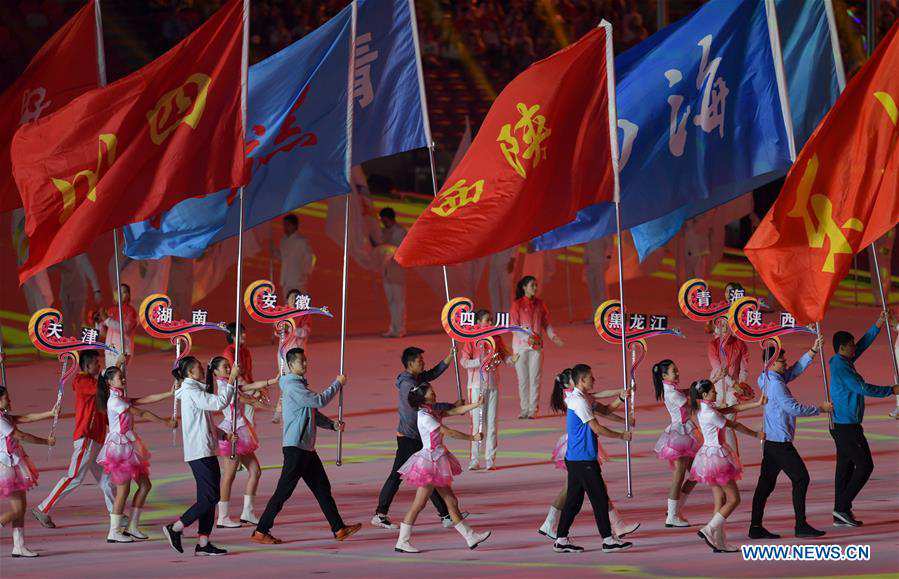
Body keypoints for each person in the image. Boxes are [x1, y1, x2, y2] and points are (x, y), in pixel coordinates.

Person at [250, 348, 361, 544]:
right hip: (296, 448)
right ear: (291, 365)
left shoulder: (298, 385)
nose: (305, 364)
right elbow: (318, 401)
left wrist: (332, 425)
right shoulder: (293, 386)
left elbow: (312, 412)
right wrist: (337, 383)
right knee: (283, 491)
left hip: (306, 448)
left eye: (305, 360)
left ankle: (339, 528)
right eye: (301, 361)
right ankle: (261, 530)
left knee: (321, 488)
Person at [539, 368, 639, 543]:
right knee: (590, 496)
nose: (594, 379)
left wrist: (621, 397)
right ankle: (608, 537)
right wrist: (621, 435)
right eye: (589, 377)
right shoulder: (576, 400)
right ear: (576, 382)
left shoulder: (582, 397)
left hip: (581, 451)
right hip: (579, 451)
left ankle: (562, 537)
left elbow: (604, 407)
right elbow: (598, 422)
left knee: (577, 498)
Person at [749, 337, 832, 540]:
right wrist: (819, 409)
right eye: (782, 362)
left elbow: (793, 371)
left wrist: (811, 352)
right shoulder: (777, 385)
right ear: (772, 363)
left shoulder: (766, 377)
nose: (785, 365)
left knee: (765, 484)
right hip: (780, 444)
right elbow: (793, 408)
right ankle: (801, 525)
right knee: (801, 478)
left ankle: (755, 526)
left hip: (770, 441)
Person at [394, 382, 489, 553]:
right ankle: (402, 541)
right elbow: (449, 432)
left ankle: (470, 536)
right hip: (430, 462)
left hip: (437, 460)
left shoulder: (430, 410)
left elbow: (453, 411)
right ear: (423, 397)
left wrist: (476, 404)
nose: (434, 392)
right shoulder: (424, 416)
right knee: (419, 504)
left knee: (451, 501)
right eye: (431, 391)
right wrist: (472, 438)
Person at [372, 346, 458, 530]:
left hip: (416, 435)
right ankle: (380, 514)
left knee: (429, 475)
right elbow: (426, 404)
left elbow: (431, 374)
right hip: (408, 437)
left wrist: (449, 358)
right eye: (419, 361)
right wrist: (452, 407)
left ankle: (445, 515)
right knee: (401, 475)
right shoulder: (408, 385)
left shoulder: (416, 378)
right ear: (410, 364)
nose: (423, 363)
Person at [828, 312, 899, 527]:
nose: (854, 348)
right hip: (847, 426)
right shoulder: (842, 368)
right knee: (865, 465)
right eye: (851, 345)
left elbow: (863, 344)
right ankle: (841, 506)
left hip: (843, 424)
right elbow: (863, 388)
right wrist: (891, 390)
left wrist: (877, 325)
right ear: (842, 348)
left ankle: (840, 513)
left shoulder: (842, 360)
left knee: (845, 469)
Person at [32, 350, 117, 528]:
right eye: (96, 362)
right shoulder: (81, 380)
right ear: (86, 366)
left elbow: (105, 402)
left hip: (97, 438)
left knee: (106, 479)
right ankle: (43, 508)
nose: (99, 364)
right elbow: (101, 388)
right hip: (87, 437)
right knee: (74, 477)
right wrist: (116, 368)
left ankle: (116, 514)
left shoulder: (93, 381)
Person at [163, 356, 237, 556]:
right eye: (198, 369)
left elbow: (204, 419)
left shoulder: (195, 390)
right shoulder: (191, 391)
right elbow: (220, 403)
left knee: (208, 498)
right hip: (199, 451)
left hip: (205, 448)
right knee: (211, 497)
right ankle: (176, 527)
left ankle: (203, 543)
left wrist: (222, 434)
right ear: (189, 373)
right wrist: (231, 382)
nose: (202, 372)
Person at [95, 366, 175, 543]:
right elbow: (142, 412)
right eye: (119, 378)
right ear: (109, 382)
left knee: (145, 485)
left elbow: (143, 400)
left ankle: (132, 526)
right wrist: (165, 422)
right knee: (123, 490)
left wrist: (168, 394)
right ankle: (114, 531)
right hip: (119, 448)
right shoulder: (115, 401)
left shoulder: (121, 397)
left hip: (129, 444)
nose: (123, 380)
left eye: (123, 377)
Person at [689, 379, 765, 553]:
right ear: (705, 394)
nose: (716, 393)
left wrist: (756, 404)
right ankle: (708, 529)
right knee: (734, 499)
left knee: (720, 500)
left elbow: (732, 409)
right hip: (718, 457)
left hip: (707, 457)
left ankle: (719, 542)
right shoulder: (711, 414)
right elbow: (735, 424)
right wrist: (756, 434)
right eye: (713, 391)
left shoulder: (703, 408)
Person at [206, 356, 278, 528]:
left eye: (229, 366)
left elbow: (248, 387)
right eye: (225, 367)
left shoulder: (231, 384)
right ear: (215, 372)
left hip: (241, 430)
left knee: (255, 470)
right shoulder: (224, 387)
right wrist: (274, 408)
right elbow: (248, 398)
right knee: (229, 476)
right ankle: (222, 517)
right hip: (232, 432)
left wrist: (271, 381)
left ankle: (248, 512)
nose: (229, 369)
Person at [0, 383, 56, 558]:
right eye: (5, 398)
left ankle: (19, 546)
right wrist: (45, 442)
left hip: (16, 464)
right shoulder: (1, 421)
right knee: (17, 510)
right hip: (6, 466)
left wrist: (50, 413)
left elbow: (26, 417)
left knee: (21, 508)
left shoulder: (5, 416)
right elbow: (21, 436)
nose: (9, 400)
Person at [460, 310, 516, 471]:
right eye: (487, 320)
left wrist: (513, 359)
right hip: (476, 386)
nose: (491, 323)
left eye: (491, 320)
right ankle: (474, 459)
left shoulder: (496, 338)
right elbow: (464, 361)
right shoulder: (472, 339)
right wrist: (479, 361)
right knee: (477, 424)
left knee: (492, 424)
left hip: (492, 385)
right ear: (478, 322)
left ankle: (490, 459)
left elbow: (505, 356)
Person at [651, 360, 700, 528]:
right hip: (681, 434)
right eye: (674, 371)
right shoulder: (672, 393)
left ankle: (674, 509)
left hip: (684, 431)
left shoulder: (671, 389)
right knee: (679, 475)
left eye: (677, 370)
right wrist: (707, 396)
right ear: (664, 375)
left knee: (695, 473)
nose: (677, 373)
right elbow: (692, 405)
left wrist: (707, 384)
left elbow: (686, 393)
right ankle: (672, 515)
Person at [511, 276, 563, 419]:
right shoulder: (517, 304)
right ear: (524, 287)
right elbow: (514, 327)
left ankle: (533, 410)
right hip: (520, 347)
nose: (535, 288)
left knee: (535, 378)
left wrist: (553, 336)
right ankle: (524, 409)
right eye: (532, 285)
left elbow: (546, 323)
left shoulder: (540, 304)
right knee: (523, 379)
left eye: (536, 285)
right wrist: (528, 338)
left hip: (536, 347)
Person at [708, 317, 750, 450]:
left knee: (729, 424)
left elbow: (744, 367)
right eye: (721, 324)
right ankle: (715, 453)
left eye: (727, 324)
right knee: (716, 423)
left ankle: (734, 458)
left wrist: (742, 384)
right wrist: (733, 384)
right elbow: (718, 369)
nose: (724, 326)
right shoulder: (713, 345)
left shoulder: (740, 343)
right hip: (716, 389)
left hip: (734, 391)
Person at [272, 289, 313, 424]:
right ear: (287, 300)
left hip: (298, 355)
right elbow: (278, 332)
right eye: (292, 298)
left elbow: (305, 332)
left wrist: (293, 330)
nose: (294, 300)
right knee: (285, 382)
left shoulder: (304, 313)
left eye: (297, 298)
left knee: (297, 382)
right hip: (284, 354)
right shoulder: (283, 314)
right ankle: (280, 411)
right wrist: (284, 329)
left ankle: (296, 409)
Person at [377, 207, 407, 338]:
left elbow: (400, 250)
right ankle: (393, 328)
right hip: (386, 272)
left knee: (398, 301)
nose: (382, 222)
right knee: (391, 301)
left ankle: (400, 328)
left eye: (383, 219)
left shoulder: (400, 232)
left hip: (397, 272)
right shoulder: (383, 231)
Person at [99, 283, 139, 369]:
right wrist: (99, 323)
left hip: (122, 351)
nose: (120, 295)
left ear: (128, 295)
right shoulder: (111, 310)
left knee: (118, 377)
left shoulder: (130, 311)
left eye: (124, 292)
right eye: (118, 292)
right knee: (109, 377)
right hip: (109, 350)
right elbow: (104, 332)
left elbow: (124, 328)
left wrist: (106, 319)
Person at [278, 214, 315, 296]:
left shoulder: (301, 241)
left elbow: (310, 258)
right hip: (285, 279)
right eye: (284, 225)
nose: (285, 227)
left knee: (298, 305)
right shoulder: (283, 241)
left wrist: (305, 273)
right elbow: (283, 257)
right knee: (288, 305)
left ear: (294, 225)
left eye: (287, 225)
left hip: (298, 279)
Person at [583, 237, 612, 317]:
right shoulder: (590, 232)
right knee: (592, 290)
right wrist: (585, 261)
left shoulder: (604, 230)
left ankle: (605, 313)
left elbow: (609, 246)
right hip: (589, 263)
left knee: (601, 289)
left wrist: (607, 259)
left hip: (600, 262)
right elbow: (587, 247)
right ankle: (595, 313)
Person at [487, 247, 516, 315]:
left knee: (506, 290)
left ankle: (508, 315)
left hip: (506, 261)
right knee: (492, 288)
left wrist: (512, 259)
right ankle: (496, 314)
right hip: (494, 260)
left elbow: (515, 243)